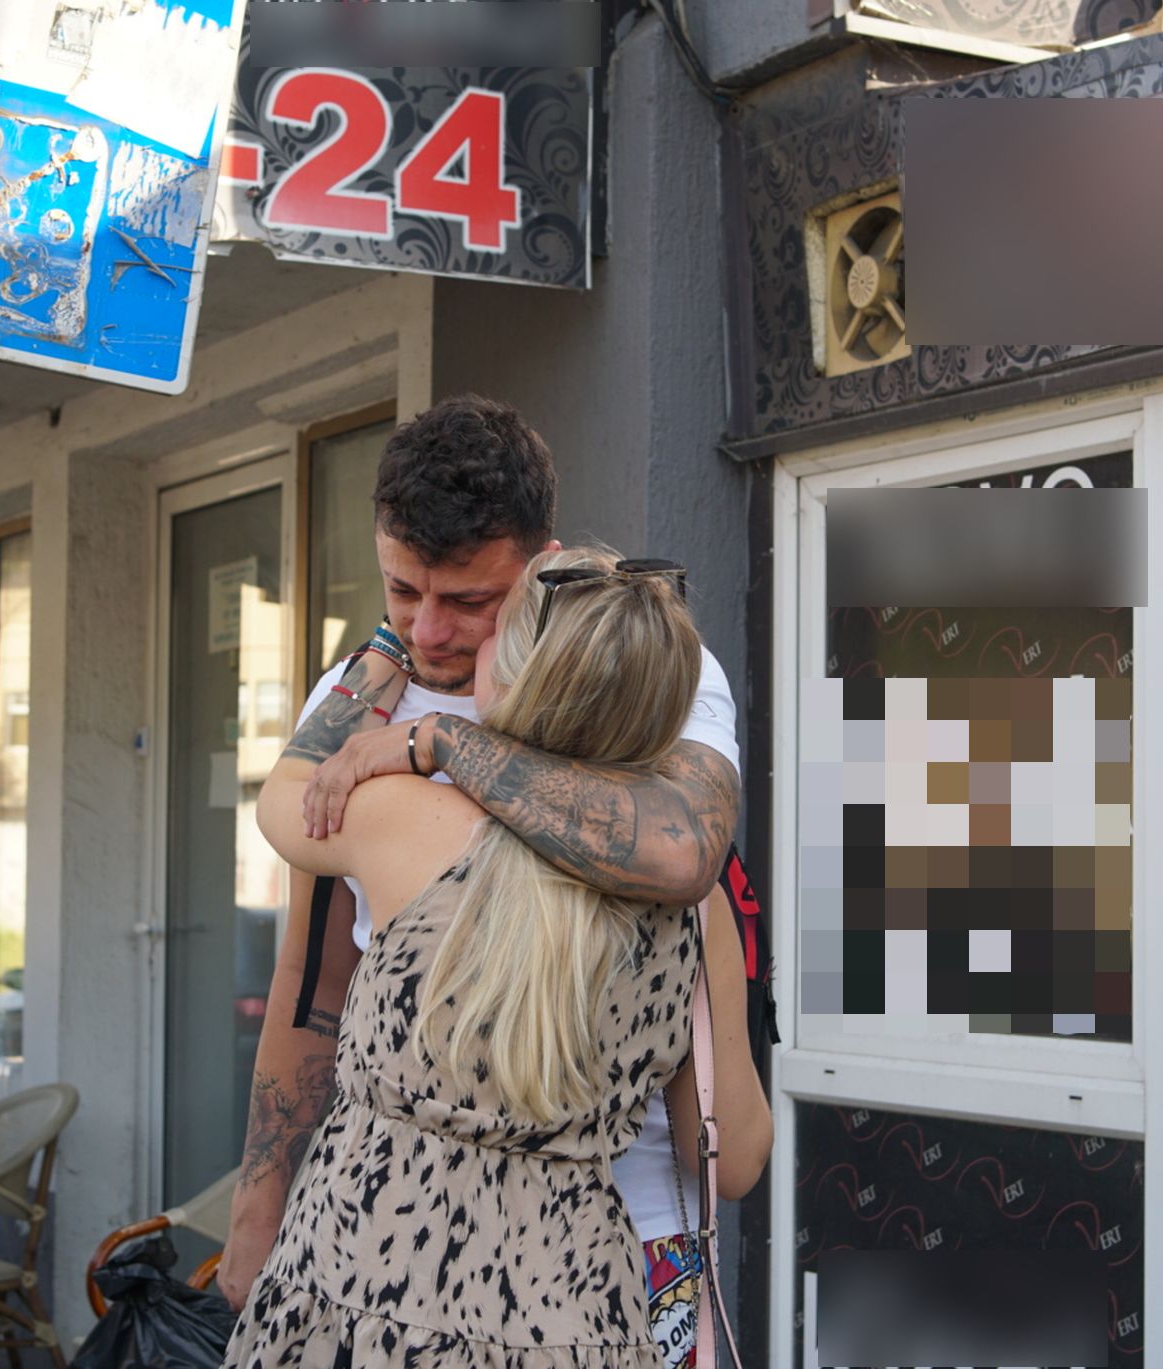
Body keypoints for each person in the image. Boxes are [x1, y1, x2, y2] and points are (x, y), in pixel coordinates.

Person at [219, 397, 768, 1363]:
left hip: (580, 1225)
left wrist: (439, 742)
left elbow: (681, 848)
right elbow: (313, 981)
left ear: (542, 569)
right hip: (549, 1286)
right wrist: (258, 1199)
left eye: (469, 603)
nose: (428, 631)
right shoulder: (364, 690)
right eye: (401, 590)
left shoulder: (654, 670)